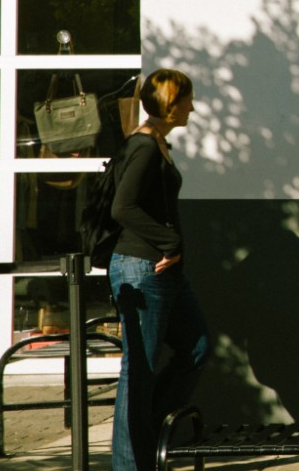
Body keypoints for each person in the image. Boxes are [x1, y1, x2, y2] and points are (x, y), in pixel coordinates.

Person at [108, 69, 210, 471]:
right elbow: (122, 207)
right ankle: (130, 465)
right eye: (187, 100)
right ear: (172, 102)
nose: (193, 107)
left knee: (197, 346)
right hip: (141, 268)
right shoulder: (145, 147)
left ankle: (148, 431)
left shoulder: (158, 144)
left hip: (161, 270)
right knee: (139, 373)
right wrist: (170, 242)